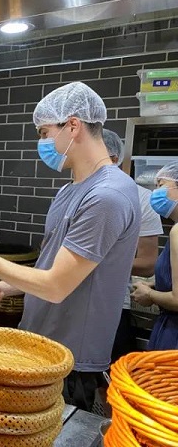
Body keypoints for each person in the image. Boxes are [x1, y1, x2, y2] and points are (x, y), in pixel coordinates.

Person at [0, 82, 141, 412]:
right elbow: (52, 268)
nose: (42, 143)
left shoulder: (107, 196)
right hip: (39, 342)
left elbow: (55, 287)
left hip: (70, 360)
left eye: (44, 132)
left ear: (73, 126)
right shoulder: (70, 190)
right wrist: (6, 288)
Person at [102, 128, 162, 361]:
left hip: (112, 303)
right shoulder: (69, 193)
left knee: (110, 372)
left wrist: (99, 263)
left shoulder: (141, 199)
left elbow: (148, 264)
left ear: (114, 159)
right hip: (65, 299)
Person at [131, 162, 178, 350]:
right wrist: (159, 285)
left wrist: (149, 294)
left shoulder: (177, 232)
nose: (155, 192)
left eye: (161, 185)